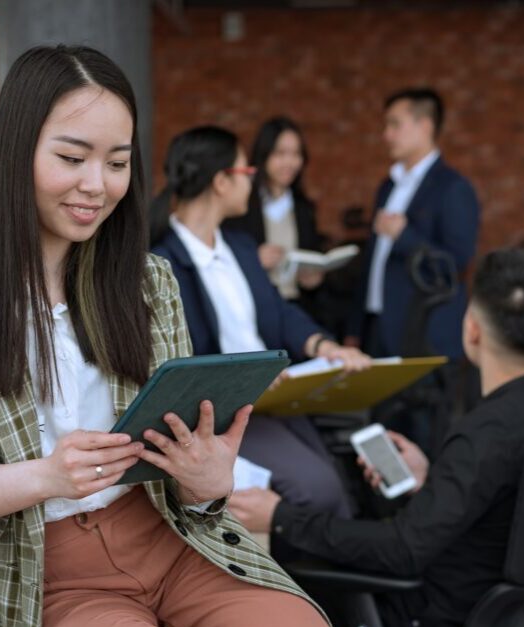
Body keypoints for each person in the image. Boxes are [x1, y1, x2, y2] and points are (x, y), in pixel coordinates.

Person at [0, 45, 344, 627]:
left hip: (172, 542)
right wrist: (43, 476)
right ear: (18, 150)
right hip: (48, 576)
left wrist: (205, 481)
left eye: (118, 163)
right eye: (72, 157)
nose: (96, 186)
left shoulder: (149, 281)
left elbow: (186, 463)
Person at [229, 248, 524, 627]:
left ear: (472, 330)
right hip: (507, 615)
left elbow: (402, 551)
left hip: (431, 623)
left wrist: (281, 516)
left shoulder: (484, 433)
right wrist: (434, 480)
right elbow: (509, 502)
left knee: (288, 588)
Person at [149, 126, 371, 551]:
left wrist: (325, 347)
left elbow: (279, 313)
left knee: (341, 483)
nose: (252, 180)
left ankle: (336, 593)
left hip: (276, 400)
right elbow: (177, 356)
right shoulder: (162, 263)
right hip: (226, 412)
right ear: (221, 180)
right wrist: (246, 379)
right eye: (246, 170)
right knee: (318, 490)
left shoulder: (241, 246)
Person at [346, 87, 480, 360]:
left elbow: (455, 265)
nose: (386, 135)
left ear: (425, 126)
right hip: (377, 327)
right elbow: (374, 261)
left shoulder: (453, 188)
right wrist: (355, 327)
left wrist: (404, 236)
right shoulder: (388, 186)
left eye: (395, 124)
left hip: (424, 334)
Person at [224, 116, 325, 309]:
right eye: (280, 153)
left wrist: (313, 278)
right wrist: (253, 260)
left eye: (296, 154)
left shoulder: (304, 208)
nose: (290, 162)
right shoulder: (241, 206)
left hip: (295, 307)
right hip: (253, 306)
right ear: (264, 155)